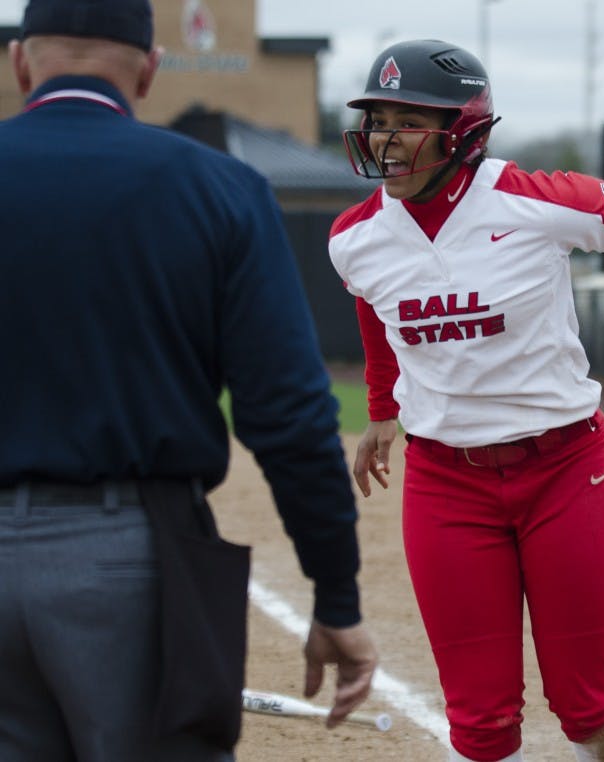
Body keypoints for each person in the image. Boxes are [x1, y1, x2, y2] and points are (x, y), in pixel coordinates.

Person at [328, 39, 604, 762]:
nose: (385, 139)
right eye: (378, 119)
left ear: (463, 132)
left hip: (565, 471)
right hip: (445, 483)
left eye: (407, 120)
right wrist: (382, 407)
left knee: (591, 709)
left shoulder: (534, 200)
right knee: (481, 724)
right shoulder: (355, 239)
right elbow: (374, 310)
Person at [0, 1, 377, 760]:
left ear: (19, 64)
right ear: (148, 70)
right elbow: (290, 415)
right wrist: (335, 589)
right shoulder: (218, 187)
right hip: (126, 562)